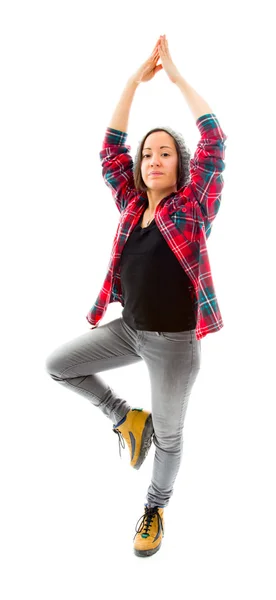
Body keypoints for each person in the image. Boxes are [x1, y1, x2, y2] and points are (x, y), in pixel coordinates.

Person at [45, 34, 227, 558]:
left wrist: (173, 77)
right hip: (130, 330)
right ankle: (126, 417)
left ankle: (154, 507)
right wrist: (130, 83)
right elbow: (109, 151)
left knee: (170, 438)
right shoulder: (130, 205)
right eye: (147, 153)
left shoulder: (191, 208)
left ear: (178, 165)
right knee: (58, 365)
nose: (152, 159)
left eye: (164, 153)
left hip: (173, 344)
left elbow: (215, 140)